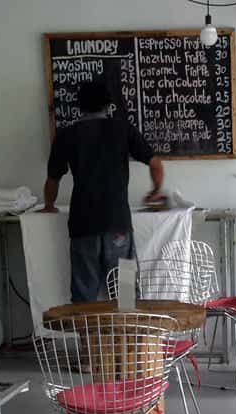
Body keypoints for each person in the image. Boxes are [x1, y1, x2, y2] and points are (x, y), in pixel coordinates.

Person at [42, 79, 165, 302]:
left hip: (82, 224)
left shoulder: (66, 135)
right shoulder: (122, 129)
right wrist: (155, 191)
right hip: (118, 223)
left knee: (84, 296)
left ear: (79, 106)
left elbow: (52, 179)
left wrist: (49, 205)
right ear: (108, 105)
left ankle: (87, 327)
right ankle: (126, 325)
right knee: (126, 295)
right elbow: (155, 163)